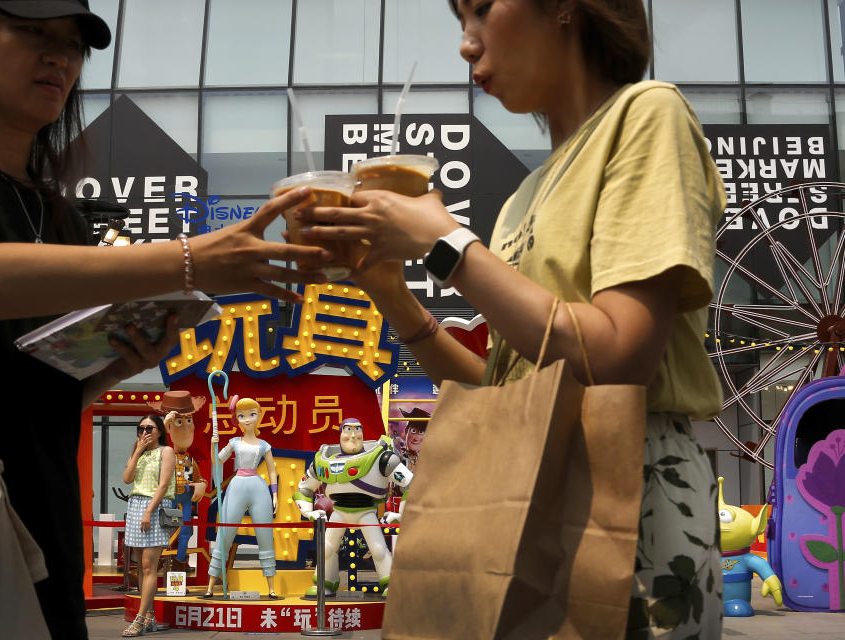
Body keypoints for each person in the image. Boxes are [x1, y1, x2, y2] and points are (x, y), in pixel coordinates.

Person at [294, 0, 725, 635]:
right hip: (529, 480)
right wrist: (390, 291)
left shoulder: (647, 113)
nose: (467, 45)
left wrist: (446, 244)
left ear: (562, 9)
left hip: (627, 483)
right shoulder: (524, 195)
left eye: (480, 11)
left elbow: (617, 356)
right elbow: (502, 393)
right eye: (459, 24)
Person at [0, 1, 332, 637]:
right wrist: (185, 260)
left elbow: (39, 390)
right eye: (33, 32)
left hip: (41, 537)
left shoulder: (61, 215)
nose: (60, 58)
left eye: (73, 45)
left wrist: (118, 361)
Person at [294, 418, 413, 597]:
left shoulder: (381, 458)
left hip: (366, 512)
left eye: (357, 430)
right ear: (340, 434)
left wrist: (401, 514)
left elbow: (411, 483)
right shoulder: (324, 461)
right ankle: (324, 583)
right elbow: (304, 488)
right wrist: (308, 512)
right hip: (339, 512)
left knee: (378, 549)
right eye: (348, 430)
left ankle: (391, 583)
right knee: (326, 548)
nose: (353, 435)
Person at [202, 396, 282, 599]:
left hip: (258, 488)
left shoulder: (264, 445)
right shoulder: (234, 442)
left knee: (265, 536)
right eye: (242, 416)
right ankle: (210, 586)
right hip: (237, 486)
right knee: (225, 534)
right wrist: (213, 445)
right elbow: (217, 461)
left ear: (259, 416)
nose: (247, 419)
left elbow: (272, 471)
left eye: (252, 414)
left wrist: (275, 493)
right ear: (236, 419)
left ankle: (271, 587)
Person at [120, 414, 175, 636]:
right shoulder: (139, 452)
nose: (145, 432)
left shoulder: (166, 452)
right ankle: (149, 615)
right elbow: (126, 478)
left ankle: (140, 619)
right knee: (141, 567)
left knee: (150, 566)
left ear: (160, 431)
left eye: (150, 428)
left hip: (154, 506)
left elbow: (163, 486)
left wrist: (148, 511)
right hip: (135, 504)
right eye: (141, 428)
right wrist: (136, 452)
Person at [149, 390, 207, 569]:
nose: (186, 427)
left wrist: (201, 484)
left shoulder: (190, 460)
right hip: (168, 497)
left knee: (186, 529)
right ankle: (160, 558)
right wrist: (163, 428)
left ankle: (180, 560)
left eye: (188, 421)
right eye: (179, 422)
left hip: (186, 499)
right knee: (165, 527)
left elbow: (200, 478)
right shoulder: (163, 454)